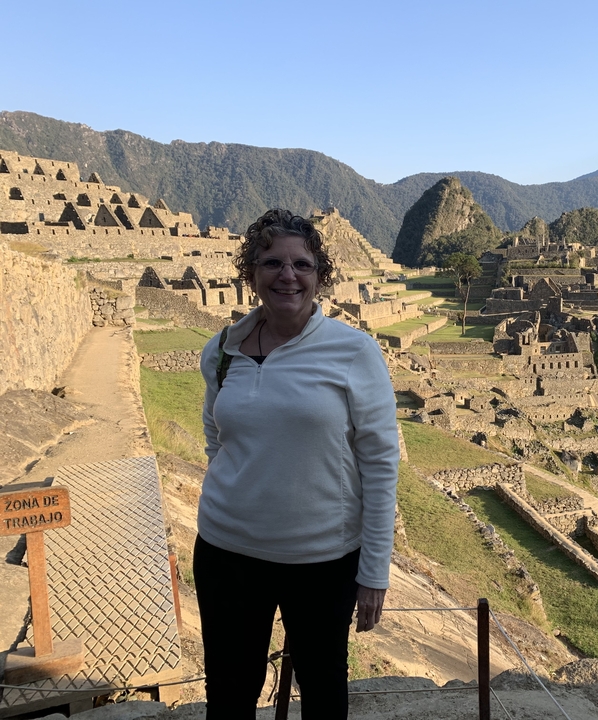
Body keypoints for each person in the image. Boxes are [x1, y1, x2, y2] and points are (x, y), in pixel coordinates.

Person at [194, 208, 399, 719]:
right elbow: (215, 433)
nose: (288, 275)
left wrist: (373, 571)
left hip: (322, 561)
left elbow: (379, 462)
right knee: (229, 689)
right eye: (272, 263)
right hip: (227, 552)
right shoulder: (222, 349)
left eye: (301, 264)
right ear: (253, 274)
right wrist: (240, 487)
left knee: (324, 689)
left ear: (319, 275)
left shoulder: (354, 352)